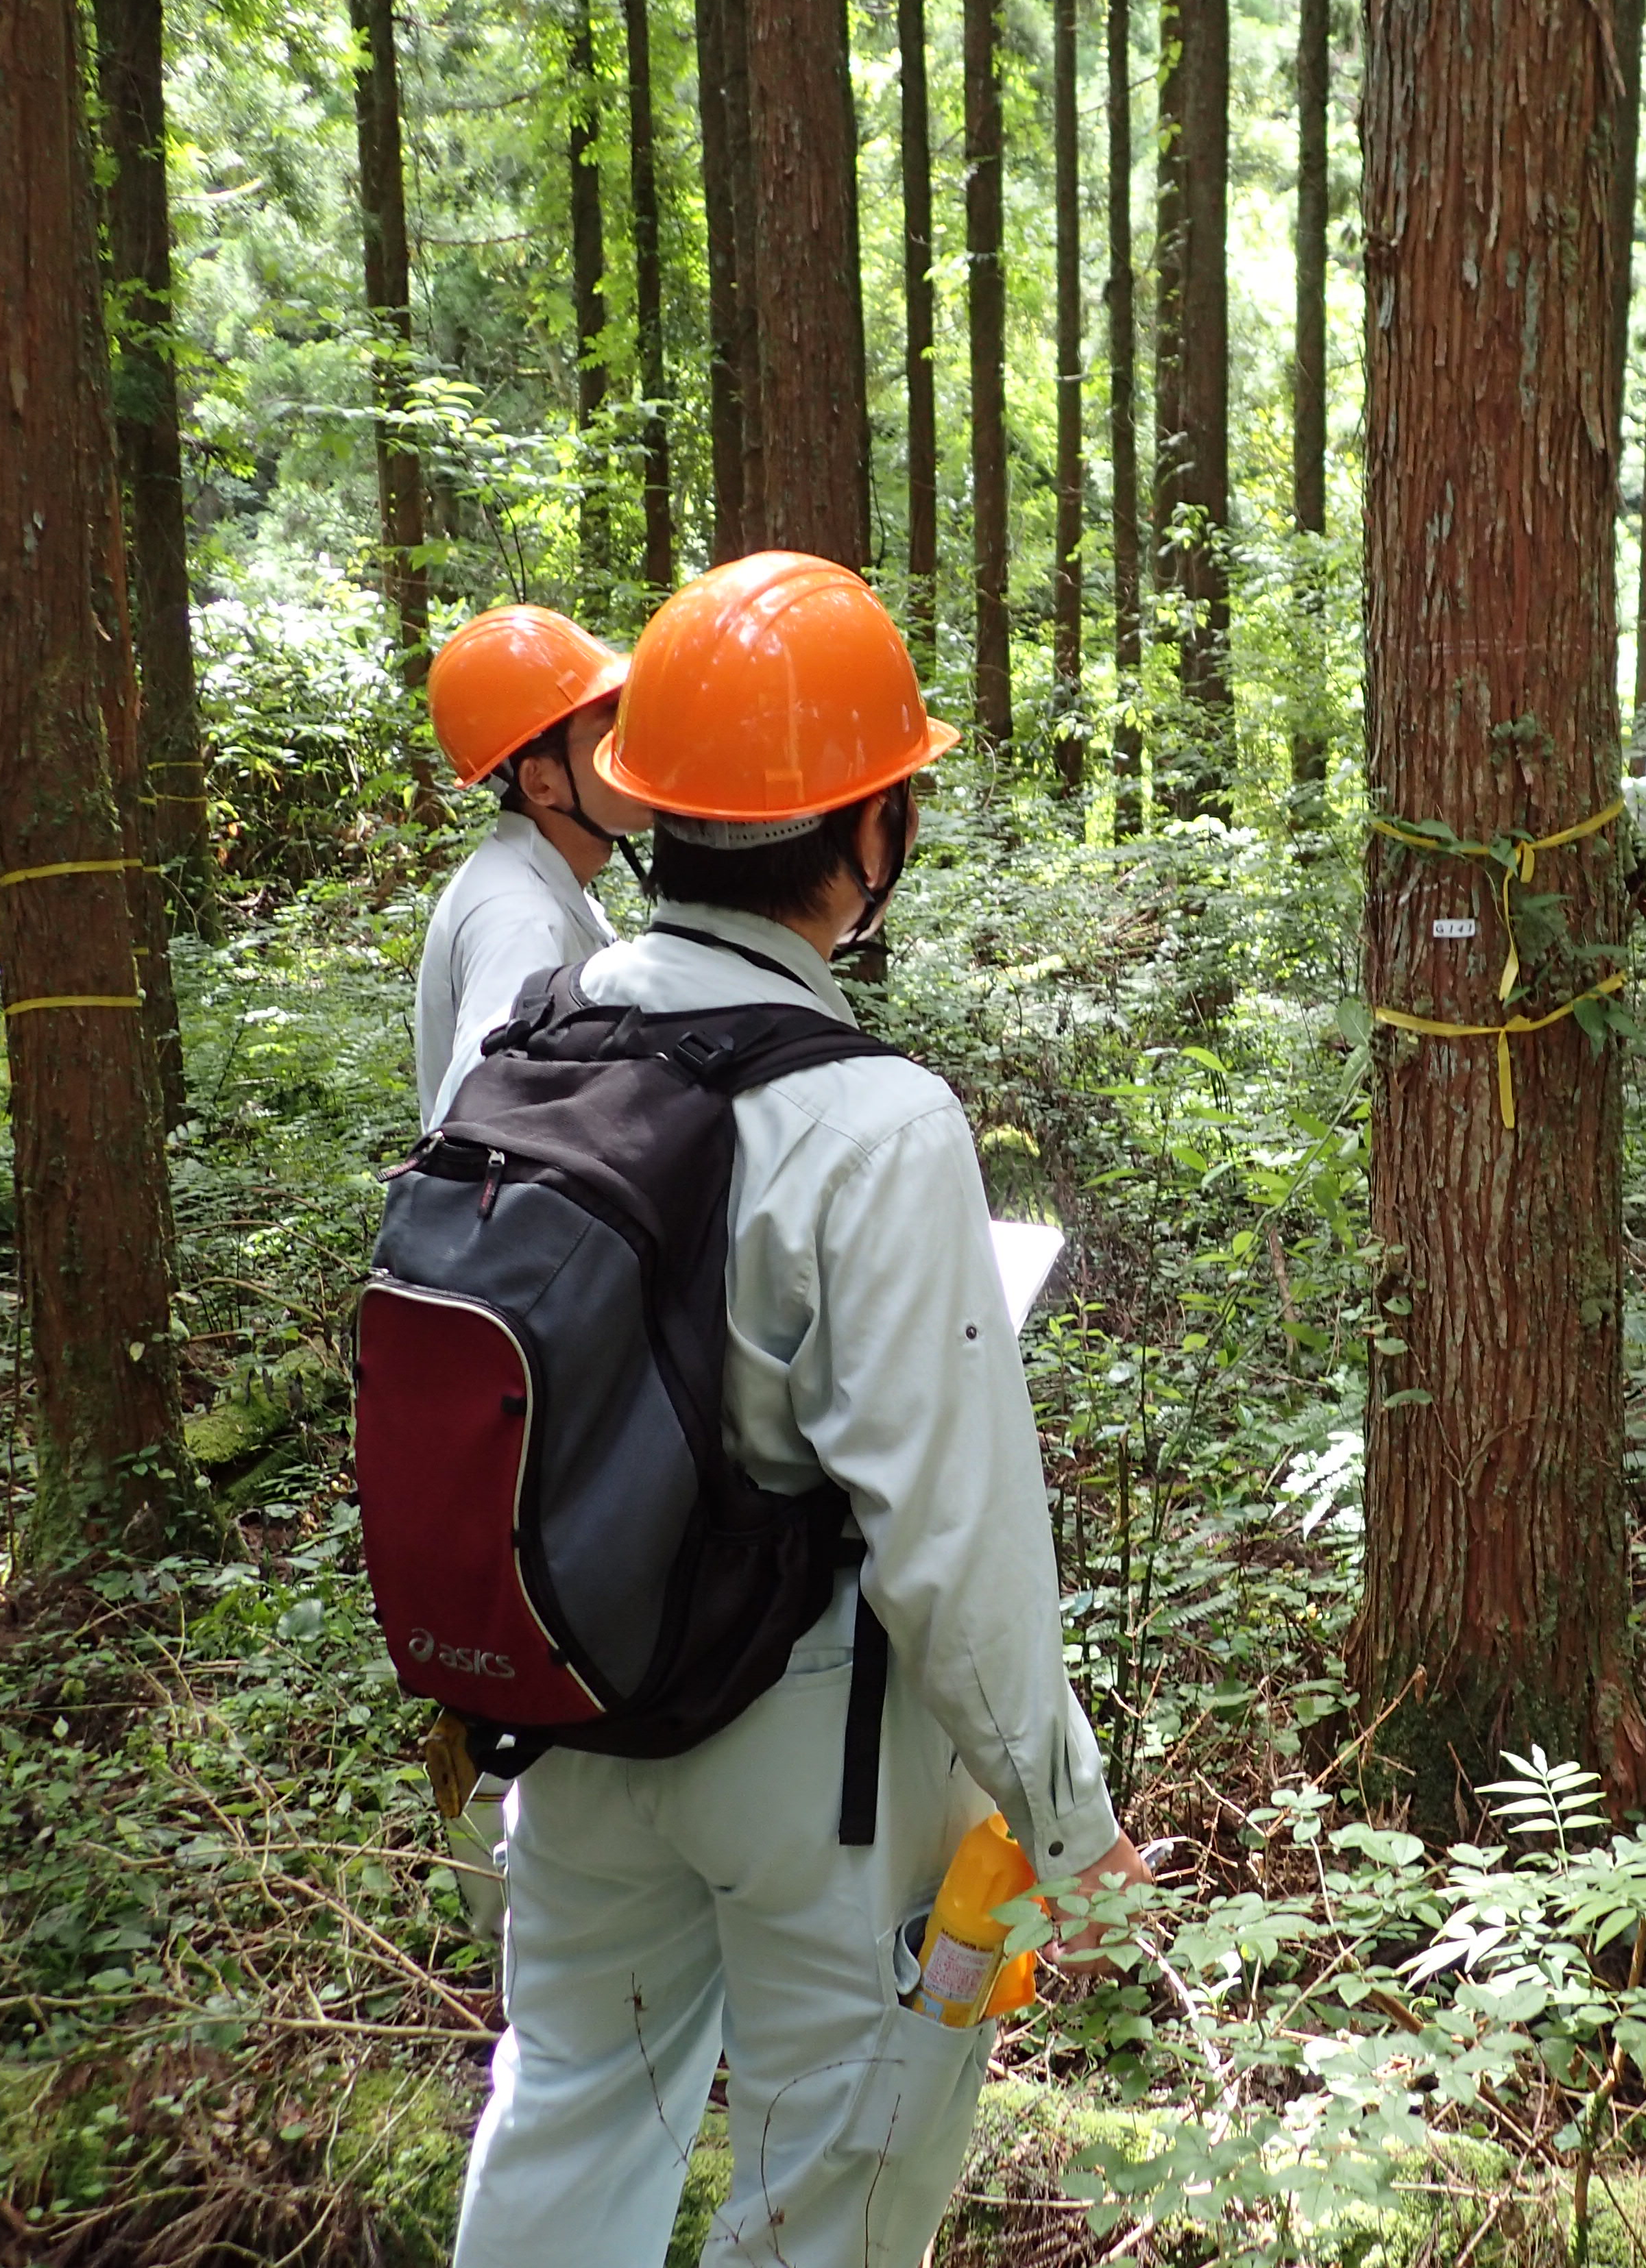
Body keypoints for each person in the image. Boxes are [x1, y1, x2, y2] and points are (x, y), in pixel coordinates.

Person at [450, 551, 1150, 2268]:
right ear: (863, 835)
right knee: (829, 2181)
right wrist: (1067, 1819)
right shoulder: (879, 1120)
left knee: (567, 2116)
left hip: (584, 1714)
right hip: (807, 1757)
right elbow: (953, 1534)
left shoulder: (534, 1042)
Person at [415, 605, 655, 1134]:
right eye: (608, 730)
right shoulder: (520, 920)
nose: (633, 747)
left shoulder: (548, 889)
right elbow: (483, 1105)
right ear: (541, 783)